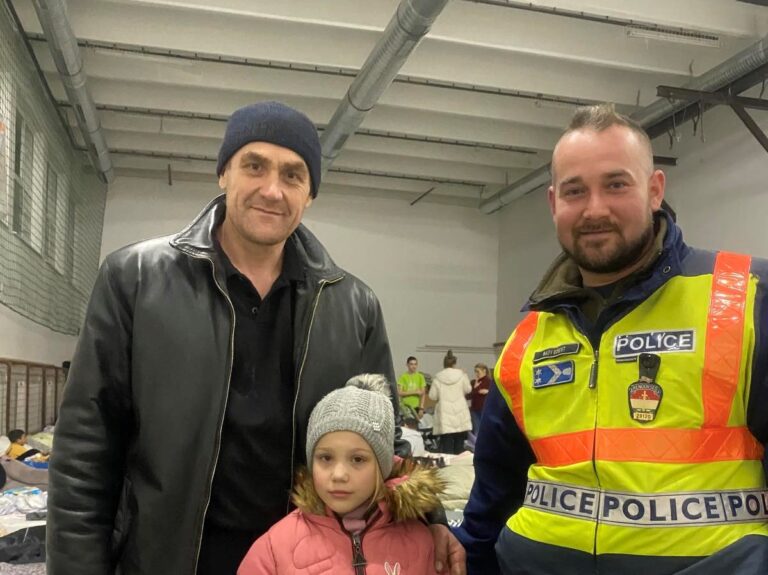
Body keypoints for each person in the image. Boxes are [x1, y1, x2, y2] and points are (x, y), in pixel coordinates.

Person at [47, 101, 465, 575]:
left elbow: (384, 435)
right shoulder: (135, 280)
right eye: (254, 166)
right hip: (166, 558)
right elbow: (86, 447)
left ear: (310, 194)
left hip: (299, 562)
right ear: (223, 173)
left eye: (292, 175)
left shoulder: (353, 306)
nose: (272, 190)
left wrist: (430, 519)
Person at [455, 103, 768, 575]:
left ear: (655, 189)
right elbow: (491, 499)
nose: (594, 209)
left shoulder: (746, 297)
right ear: (553, 203)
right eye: (575, 191)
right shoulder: (530, 338)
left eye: (616, 185)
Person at [238, 374, 443, 574]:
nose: (338, 475)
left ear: (384, 466)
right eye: (326, 458)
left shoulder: (422, 544)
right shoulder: (275, 549)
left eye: (358, 459)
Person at [429, 350, 472, 455]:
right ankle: (459, 463)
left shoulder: (438, 378)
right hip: (460, 412)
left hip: (445, 414)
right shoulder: (461, 375)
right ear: (454, 364)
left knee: (446, 445)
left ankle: (448, 464)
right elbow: (468, 389)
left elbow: (432, 396)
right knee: (459, 444)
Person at [468, 363, 491, 435]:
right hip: (475, 409)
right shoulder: (473, 382)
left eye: (478, 371)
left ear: (484, 370)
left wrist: (488, 392)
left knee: (487, 430)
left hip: (485, 409)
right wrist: (475, 388)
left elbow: (495, 394)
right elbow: (468, 396)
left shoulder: (489, 381)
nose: (476, 374)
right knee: (477, 430)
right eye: (475, 372)